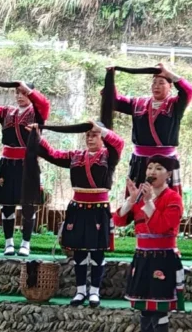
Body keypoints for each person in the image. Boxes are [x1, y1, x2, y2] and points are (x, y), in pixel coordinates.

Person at [27, 121, 124, 307]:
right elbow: (53, 155)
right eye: (88, 135)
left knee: (97, 252)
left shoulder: (109, 156)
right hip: (78, 208)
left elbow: (119, 143)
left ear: (102, 137)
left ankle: (94, 292)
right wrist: (37, 135)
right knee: (79, 252)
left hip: (98, 208)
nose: (90, 138)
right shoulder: (76, 156)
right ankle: (80, 291)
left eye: (94, 134)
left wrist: (101, 129)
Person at [0, 80, 50, 256]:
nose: (20, 96)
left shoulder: (38, 112)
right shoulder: (8, 112)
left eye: (23, 93)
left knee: (28, 204)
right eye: (17, 92)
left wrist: (28, 90)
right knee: (7, 205)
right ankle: (8, 242)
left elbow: (43, 103)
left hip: (27, 163)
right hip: (7, 163)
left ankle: (25, 243)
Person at [112, 155, 185, 332]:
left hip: (163, 259)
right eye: (150, 167)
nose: (152, 171)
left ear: (168, 174)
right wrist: (131, 200)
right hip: (142, 258)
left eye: (159, 168)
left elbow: (161, 227)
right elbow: (118, 220)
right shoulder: (140, 197)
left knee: (160, 309)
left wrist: (148, 201)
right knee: (144, 309)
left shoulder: (173, 199)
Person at [102, 63, 192, 197]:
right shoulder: (138, 104)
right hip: (140, 161)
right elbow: (114, 101)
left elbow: (188, 91)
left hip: (165, 161)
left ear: (170, 86)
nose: (156, 86)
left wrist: (169, 73)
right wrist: (111, 77)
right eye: (154, 82)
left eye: (161, 82)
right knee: (136, 198)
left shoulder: (175, 105)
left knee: (165, 200)